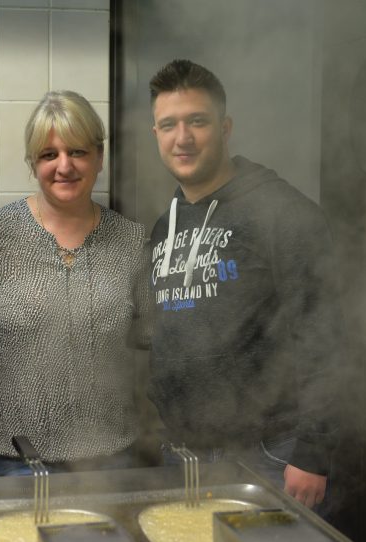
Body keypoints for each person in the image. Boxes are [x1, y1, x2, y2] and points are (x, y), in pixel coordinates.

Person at [145, 59, 344, 510]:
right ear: (155, 134)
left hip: (270, 453)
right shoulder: (165, 226)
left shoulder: (285, 214)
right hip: (184, 453)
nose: (184, 137)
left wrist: (312, 453)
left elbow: (324, 337)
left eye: (198, 121)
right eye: (169, 124)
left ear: (225, 127)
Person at [0, 90, 148, 476]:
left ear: (99, 157)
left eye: (78, 152)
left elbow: (153, 346)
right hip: (13, 460)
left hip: (111, 459)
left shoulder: (132, 242)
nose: (64, 166)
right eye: (49, 155)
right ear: (33, 163)